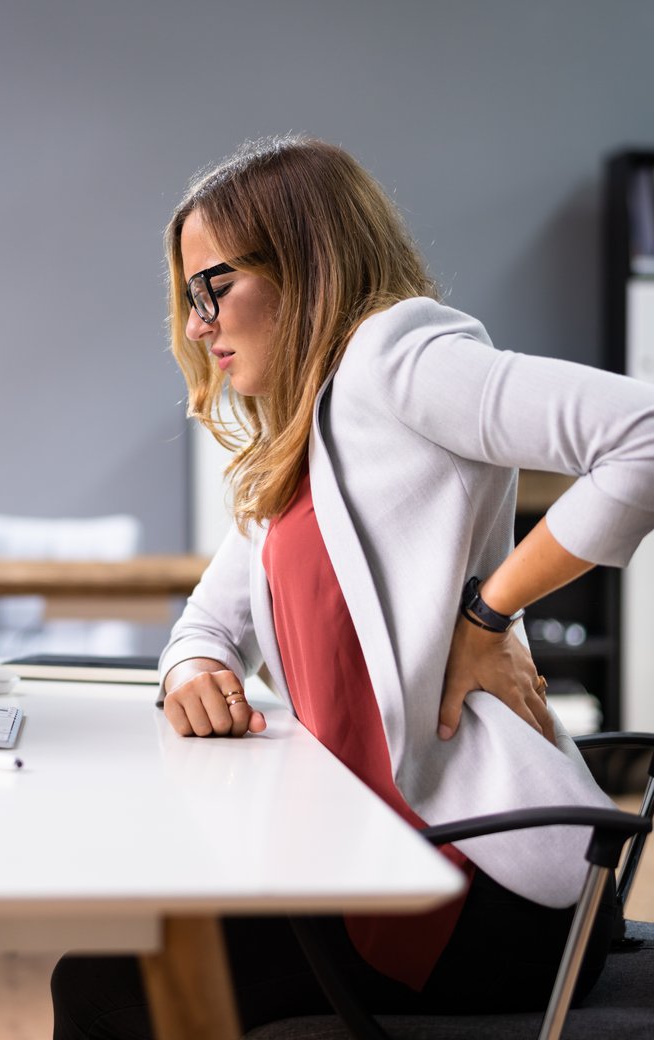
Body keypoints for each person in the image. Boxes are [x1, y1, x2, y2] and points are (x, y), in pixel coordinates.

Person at [51, 136, 654, 1038]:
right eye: (188, 298)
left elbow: (643, 434)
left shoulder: (396, 354)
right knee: (114, 969)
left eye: (214, 286)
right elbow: (206, 624)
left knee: (109, 990)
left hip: (480, 884)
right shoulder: (298, 443)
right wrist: (192, 673)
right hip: (375, 855)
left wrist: (489, 614)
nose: (197, 325)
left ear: (302, 264)